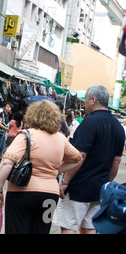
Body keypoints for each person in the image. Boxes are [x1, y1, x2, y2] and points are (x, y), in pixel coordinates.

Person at [0, 100, 82, 234]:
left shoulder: (26, 135)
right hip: (50, 195)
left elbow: (7, 162)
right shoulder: (61, 138)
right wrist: (56, 170)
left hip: (21, 193)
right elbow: (77, 159)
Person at [54, 85, 125, 234]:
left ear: (93, 100)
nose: (84, 103)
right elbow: (116, 161)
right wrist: (107, 183)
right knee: (90, 227)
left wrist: (65, 181)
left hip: (79, 186)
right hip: (100, 188)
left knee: (69, 226)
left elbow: (80, 156)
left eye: (85, 99)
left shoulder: (89, 123)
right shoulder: (118, 127)